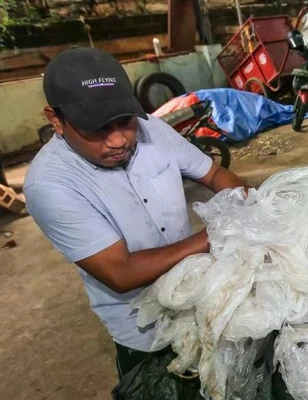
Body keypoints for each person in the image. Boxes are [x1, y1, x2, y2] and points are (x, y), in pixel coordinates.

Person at [24, 47, 250, 378]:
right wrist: (214, 235)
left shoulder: (153, 131)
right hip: (144, 332)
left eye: (125, 121)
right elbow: (121, 273)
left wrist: (247, 203)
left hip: (198, 291)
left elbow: (214, 174)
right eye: (97, 128)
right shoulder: (50, 184)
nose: (119, 140)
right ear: (56, 120)